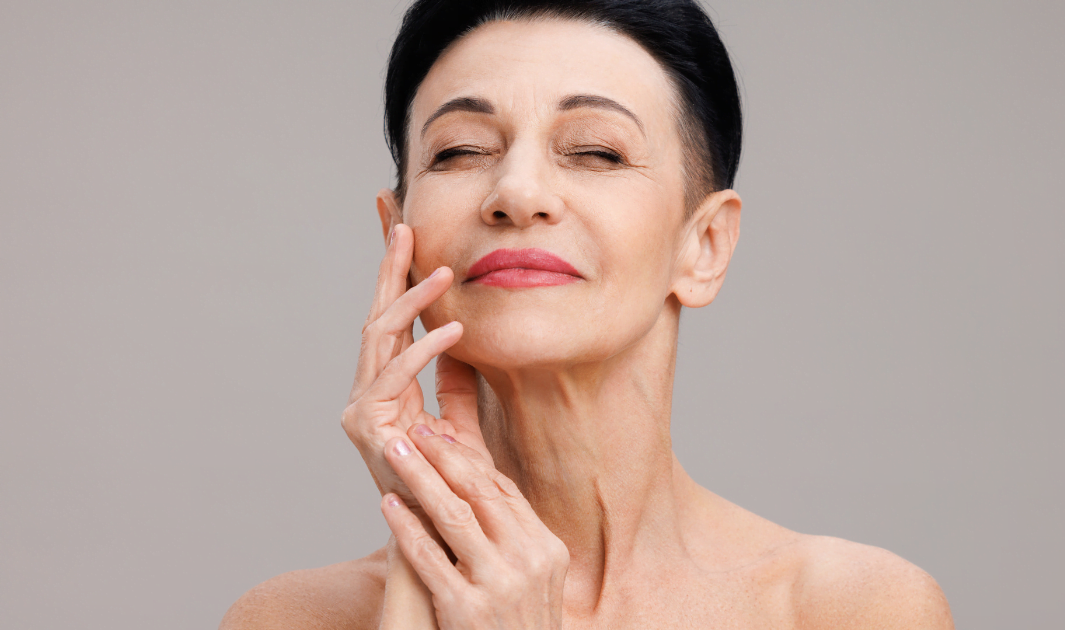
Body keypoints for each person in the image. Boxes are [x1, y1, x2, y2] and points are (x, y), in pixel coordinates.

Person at [221, 1, 954, 627]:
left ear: (703, 245)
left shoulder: (847, 609)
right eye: (461, 150)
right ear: (397, 237)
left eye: (596, 152)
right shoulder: (294, 618)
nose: (517, 191)